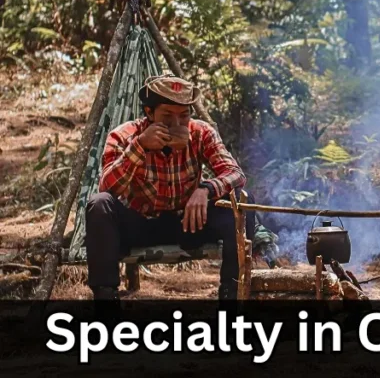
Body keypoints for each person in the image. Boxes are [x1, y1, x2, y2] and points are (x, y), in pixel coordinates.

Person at [85, 74, 254, 301]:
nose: (176, 125)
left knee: (242, 201)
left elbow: (235, 174)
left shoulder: (200, 132)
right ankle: (105, 299)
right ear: (149, 113)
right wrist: (140, 146)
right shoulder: (124, 135)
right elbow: (107, 186)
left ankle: (233, 295)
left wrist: (206, 189)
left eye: (184, 116)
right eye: (166, 116)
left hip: (188, 223)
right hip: (141, 224)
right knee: (99, 205)